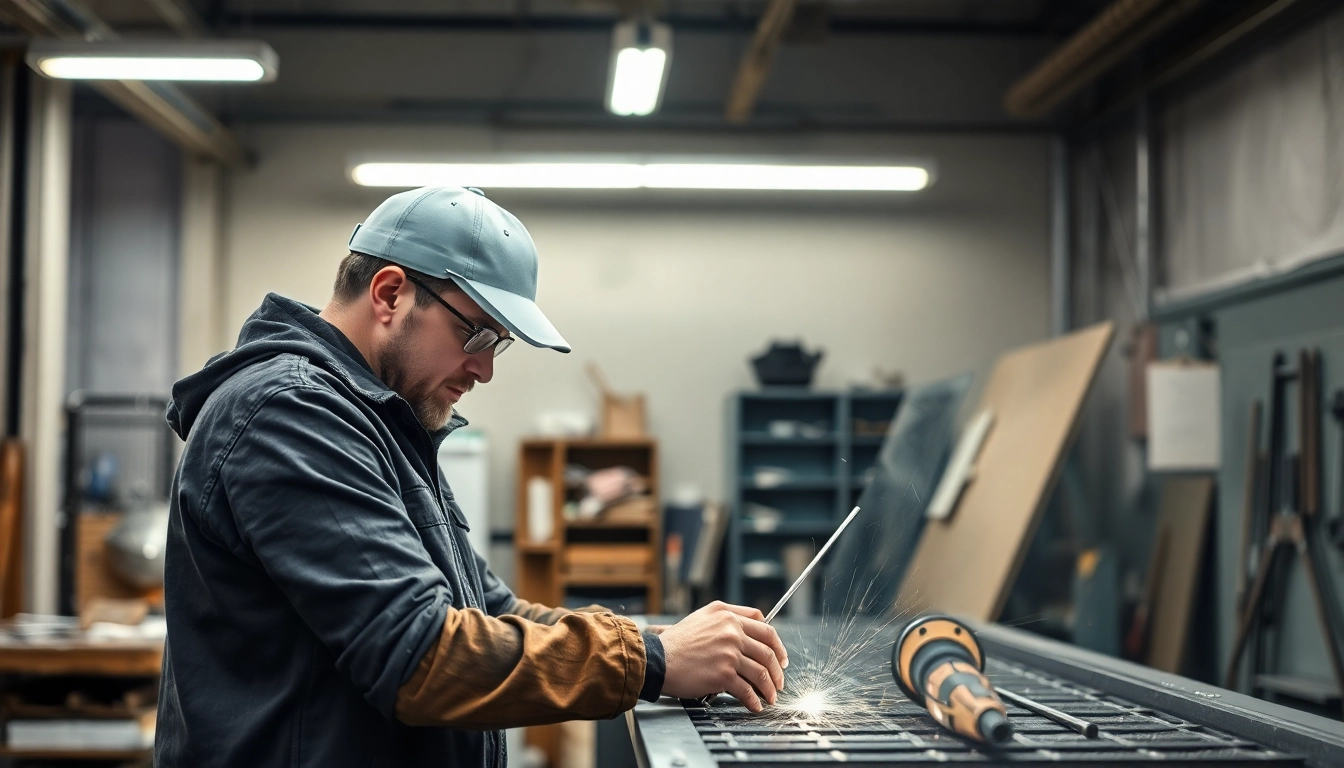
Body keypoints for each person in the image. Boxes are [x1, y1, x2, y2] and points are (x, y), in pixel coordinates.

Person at [155, 186, 789, 768]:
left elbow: (487, 609)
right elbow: (420, 656)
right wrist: (653, 661)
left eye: (499, 343)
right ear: (389, 293)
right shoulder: (289, 415)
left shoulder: (384, 426)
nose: (484, 370)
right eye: (477, 332)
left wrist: (663, 641)